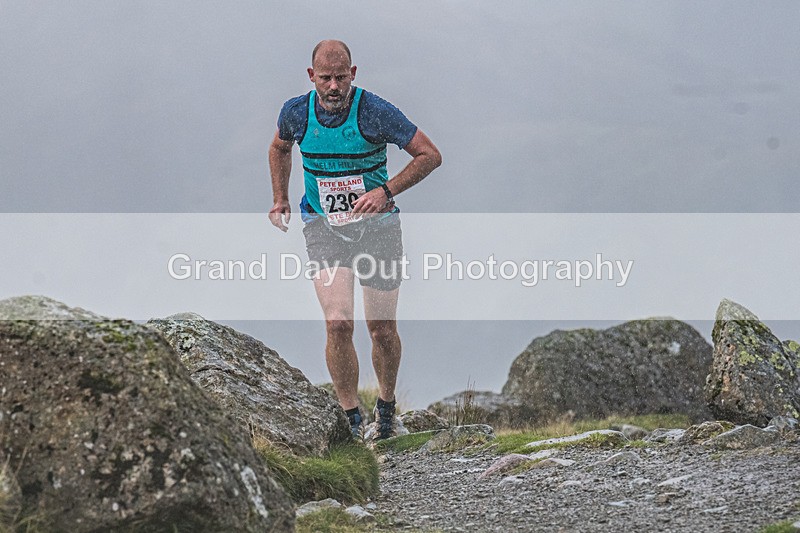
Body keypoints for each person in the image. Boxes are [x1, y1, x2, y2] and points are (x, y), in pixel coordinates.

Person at [268, 40, 442, 440]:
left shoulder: (375, 111)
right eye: (325, 78)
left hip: (379, 229)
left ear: (353, 74)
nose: (333, 87)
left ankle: (385, 409)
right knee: (338, 323)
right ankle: (350, 419)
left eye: (340, 77)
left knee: (380, 328)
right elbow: (279, 146)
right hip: (323, 226)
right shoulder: (296, 112)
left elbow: (430, 155)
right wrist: (280, 197)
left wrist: (386, 192)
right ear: (311, 77)